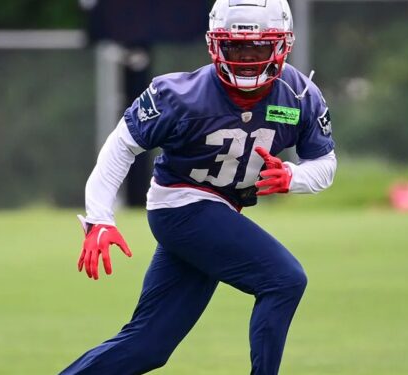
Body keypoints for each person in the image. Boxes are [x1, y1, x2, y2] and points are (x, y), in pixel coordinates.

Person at [60, 0, 336, 374]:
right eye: (235, 46)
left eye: (258, 46)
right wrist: (99, 217)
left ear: (282, 44)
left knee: (147, 345)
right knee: (284, 280)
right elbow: (120, 146)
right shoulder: (178, 94)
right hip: (181, 206)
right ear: (215, 45)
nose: (246, 58)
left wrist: (293, 177)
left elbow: (325, 163)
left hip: (216, 213)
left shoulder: (300, 96)